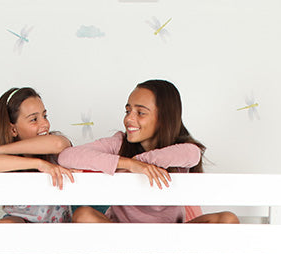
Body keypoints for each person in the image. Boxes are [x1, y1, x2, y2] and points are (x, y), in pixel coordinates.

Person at [57, 79, 239, 224]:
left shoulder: (182, 149)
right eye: (128, 111)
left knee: (228, 218)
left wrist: (139, 164)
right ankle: (134, 251)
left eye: (140, 113)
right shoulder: (119, 143)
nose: (129, 118)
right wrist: (129, 164)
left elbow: (192, 154)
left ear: (163, 118)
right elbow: (67, 156)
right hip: (121, 235)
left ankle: (157, 251)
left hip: (170, 236)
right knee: (83, 214)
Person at [0, 87, 73, 224]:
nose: (45, 124)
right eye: (34, 119)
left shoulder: (52, 147)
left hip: (60, 230)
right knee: (6, 224)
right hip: (22, 232)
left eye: (44, 116)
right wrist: (38, 164)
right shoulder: (6, 162)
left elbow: (59, 144)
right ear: (13, 129)